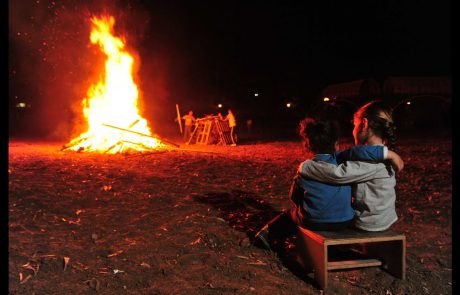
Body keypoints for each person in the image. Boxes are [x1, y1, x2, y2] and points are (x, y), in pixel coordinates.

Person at [255, 116, 403, 250]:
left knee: (291, 214)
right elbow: (360, 152)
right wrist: (388, 153)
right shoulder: (344, 160)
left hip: (313, 221)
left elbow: (294, 197)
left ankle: (268, 235)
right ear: (337, 144)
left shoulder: (306, 167)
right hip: (344, 221)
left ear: (308, 145)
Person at [298, 100, 402, 232]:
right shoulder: (380, 154)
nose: (353, 130)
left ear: (363, 124)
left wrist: (307, 167)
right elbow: (353, 153)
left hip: (369, 223)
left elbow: (338, 175)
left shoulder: (372, 163)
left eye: (355, 125)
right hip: (383, 218)